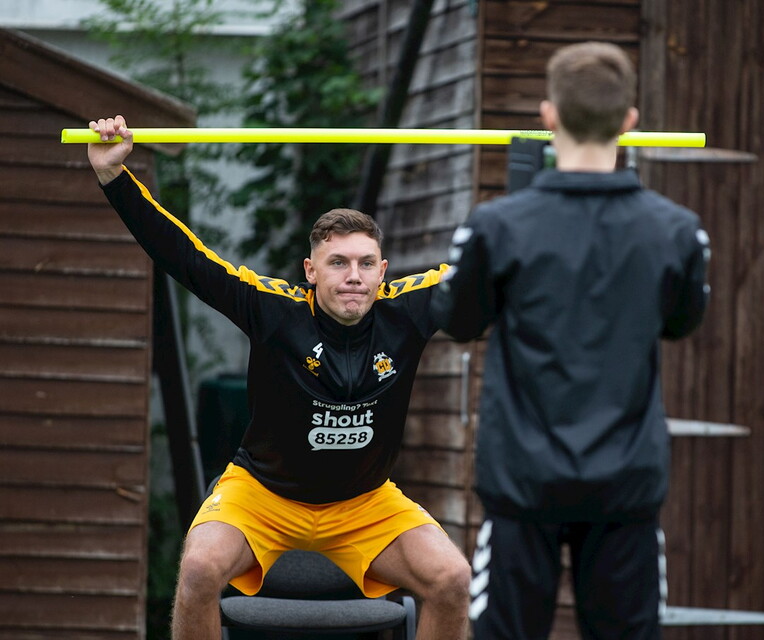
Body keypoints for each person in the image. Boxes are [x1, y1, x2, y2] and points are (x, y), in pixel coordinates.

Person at [87, 115, 471, 640]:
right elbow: (186, 257)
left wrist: (568, 169)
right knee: (198, 570)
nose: (353, 277)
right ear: (311, 272)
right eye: (337, 263)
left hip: (363, 502)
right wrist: (115, 176)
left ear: (383, 271)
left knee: (452, 579)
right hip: (262, 496)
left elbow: (489, 262)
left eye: (366, 264)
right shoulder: (272, 309)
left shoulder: (410, 309)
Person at [430, 42, 710, 640]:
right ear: (629, 119)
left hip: (524, 481)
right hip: (622, 483)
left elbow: (458, 320)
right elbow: (683, 321)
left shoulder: (497, 225)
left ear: (549, 115)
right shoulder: (676, 230)